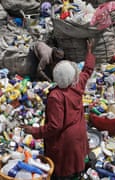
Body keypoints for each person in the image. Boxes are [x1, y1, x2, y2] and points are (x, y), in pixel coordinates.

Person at [21, 39, 95, 179]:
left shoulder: (56, 96)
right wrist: (89, 53)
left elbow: (55, 126)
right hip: (79, 132)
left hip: (66, 139)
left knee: (63, 167)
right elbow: (87, 70)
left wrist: (35, 131)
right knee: (76, 160)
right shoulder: (77, 86)